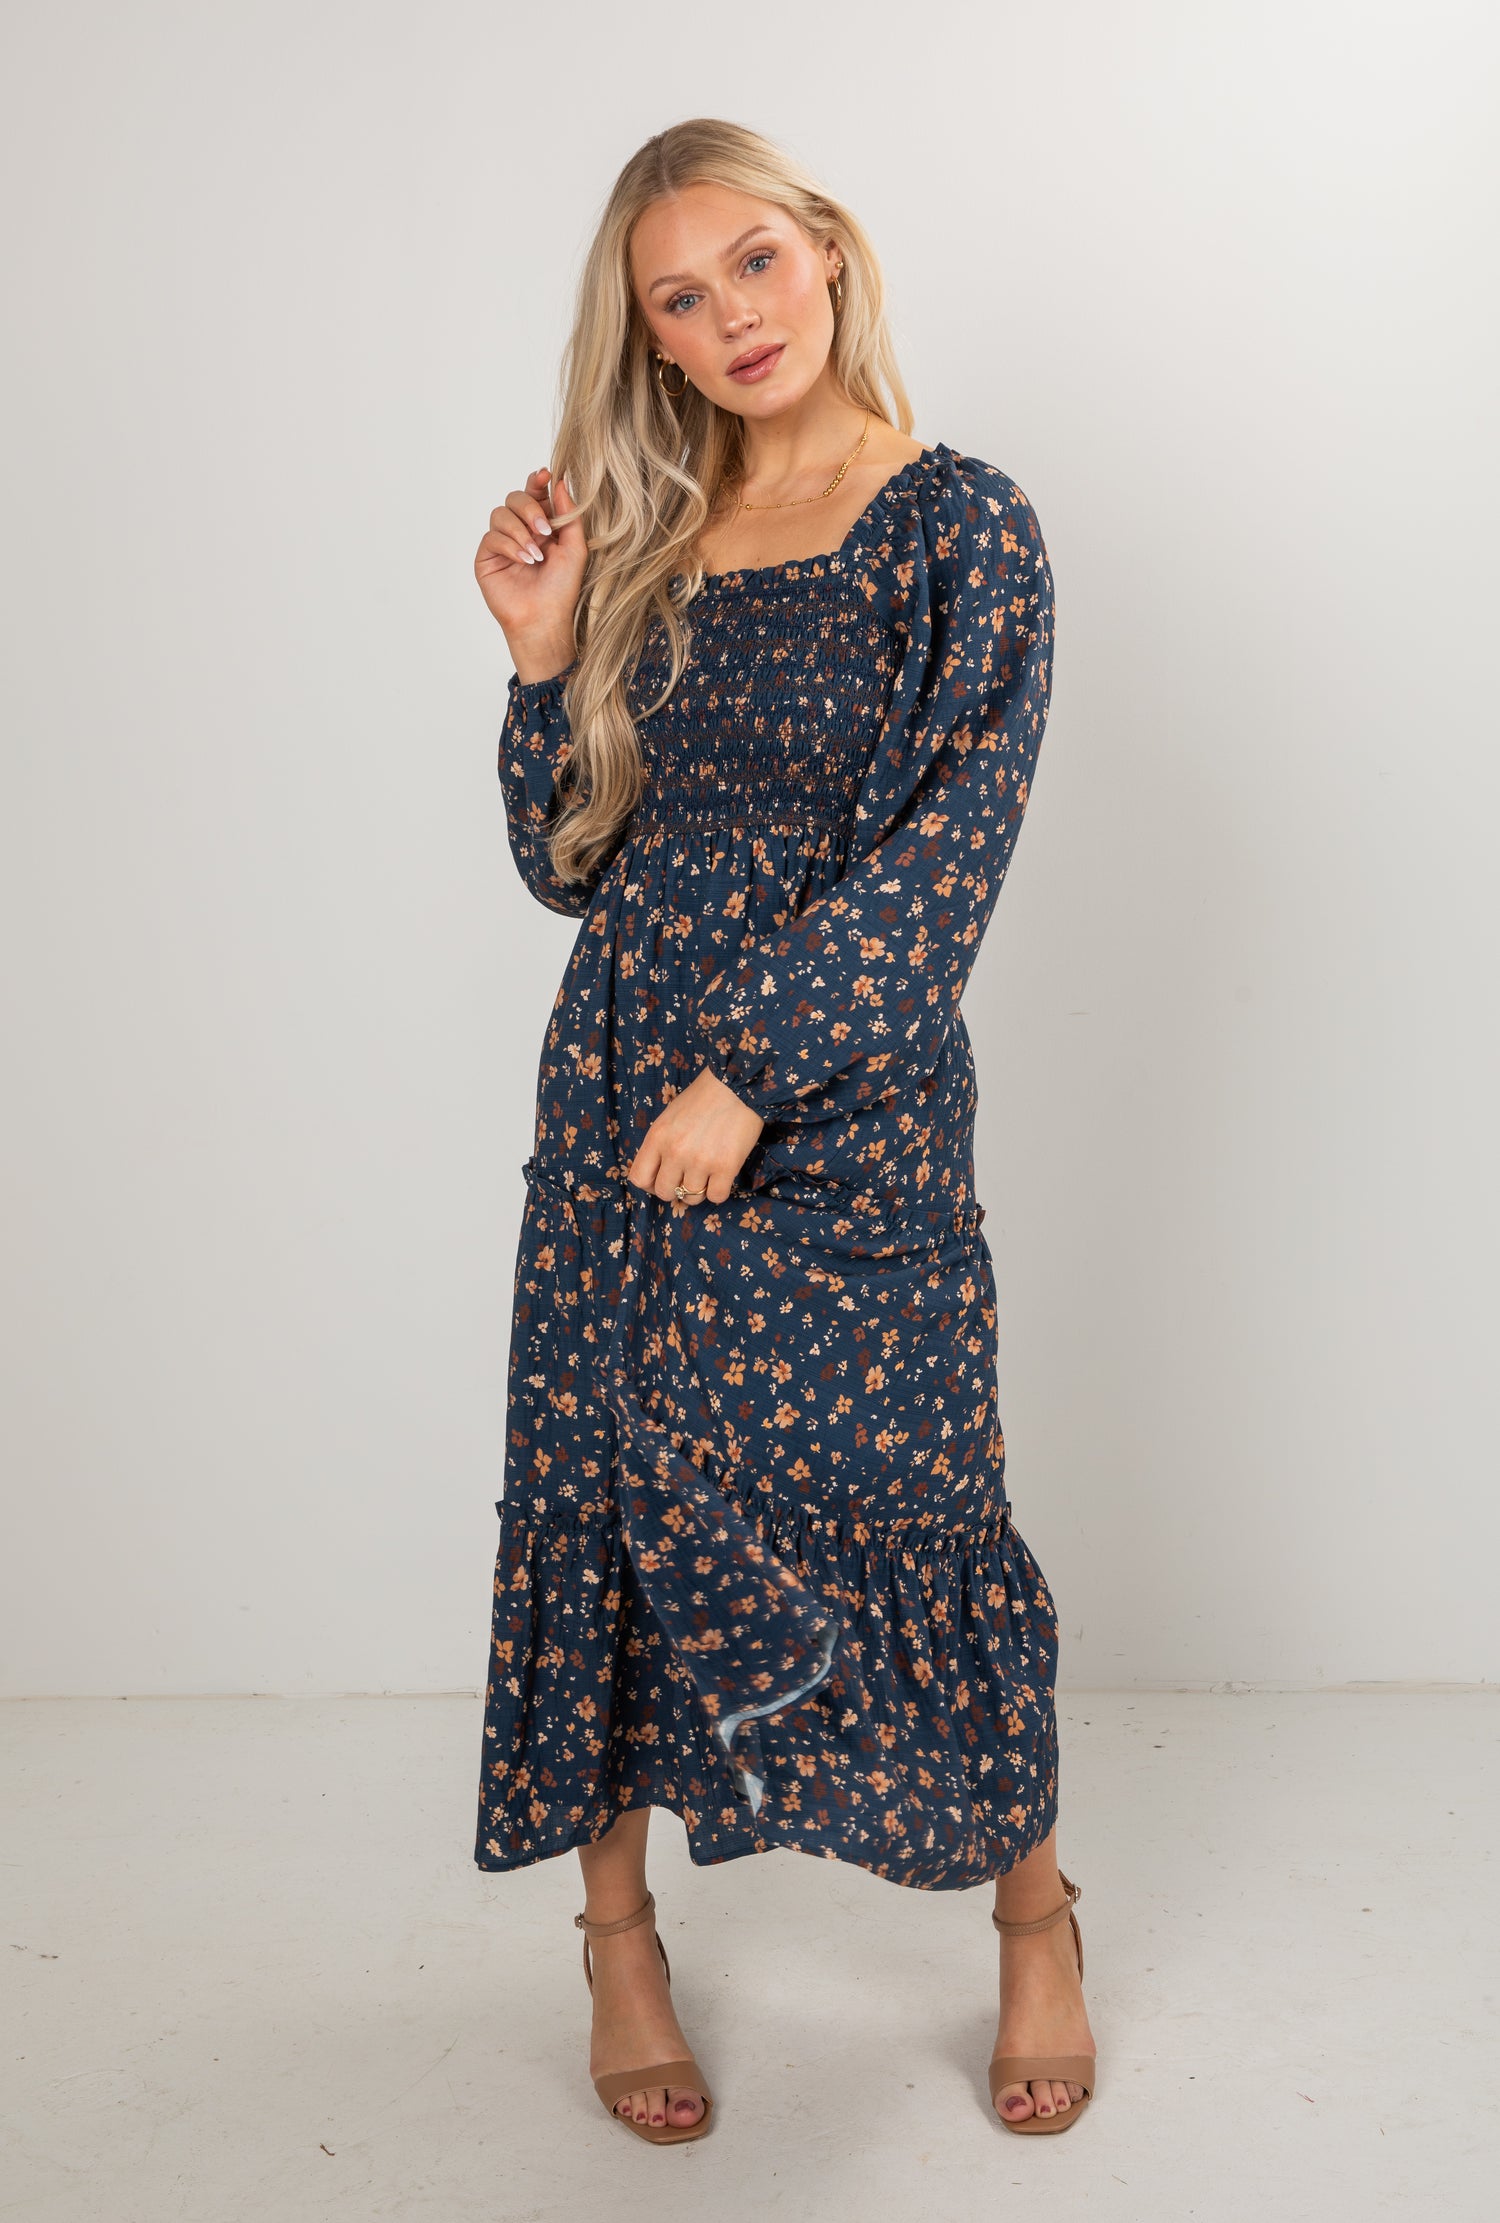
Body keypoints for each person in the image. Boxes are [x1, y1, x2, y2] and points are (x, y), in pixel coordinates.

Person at [470, 117, 1095, 2144]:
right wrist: (545, 660)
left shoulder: (957, 524)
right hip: (622, 1089)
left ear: (826, 255)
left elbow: (950, 854)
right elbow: (573, 865)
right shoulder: (647, 539)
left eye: (751, 262)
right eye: (677, 294)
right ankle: (620, 1936)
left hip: (841, 1096)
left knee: (921, 1485)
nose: (727, 314)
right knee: (615, 1489)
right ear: (643, 336)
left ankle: (1032, 1910)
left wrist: (754, 1079)